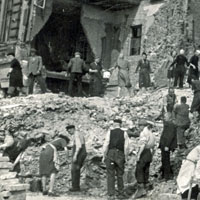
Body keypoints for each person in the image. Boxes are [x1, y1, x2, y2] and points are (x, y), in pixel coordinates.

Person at [102, 119, 129, 200]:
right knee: (120, 174)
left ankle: (111, 194)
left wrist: (104, 155)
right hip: (120, 154)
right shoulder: (124, 133)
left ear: (114, 124)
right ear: (120, 124)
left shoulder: (110, 132)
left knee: (110, 174)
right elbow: (126, 147)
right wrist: (126, 157)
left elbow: (106, 144)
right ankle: (121, 193)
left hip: (111, 153)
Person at [133, 121, 156, 199]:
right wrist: (152, 155)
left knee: (139, 170)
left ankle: (141, 189)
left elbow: (142, 145)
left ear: (143, 126)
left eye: (139, 126)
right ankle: (146, 186)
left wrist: (139, 155)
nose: (139, 128)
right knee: (146, 169)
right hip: (149, 153)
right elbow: (154, 147)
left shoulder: (143, 133)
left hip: (144, 152)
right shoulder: (151, 133)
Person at [66, 125, 87, 192]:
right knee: (77, 169)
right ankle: (76, 186)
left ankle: (75, 187)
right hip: (83, 152)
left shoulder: (76, 134)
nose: (69, 133)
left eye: (69, 131)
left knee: (74, 169)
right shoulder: (79, 133)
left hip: (79, 153)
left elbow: (79, 146)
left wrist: (75, 155)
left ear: (73, 129)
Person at [159, 112, 177, 181]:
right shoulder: (169, 124)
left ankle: (167, 176)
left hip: (166, 146)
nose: (164, 118)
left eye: (165, 117)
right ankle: (165, 174)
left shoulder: (170, 125)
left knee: (165, 160)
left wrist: (167, 145)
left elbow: (170, 136)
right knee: (164, 159)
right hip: (164, 145)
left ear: (169, 117)